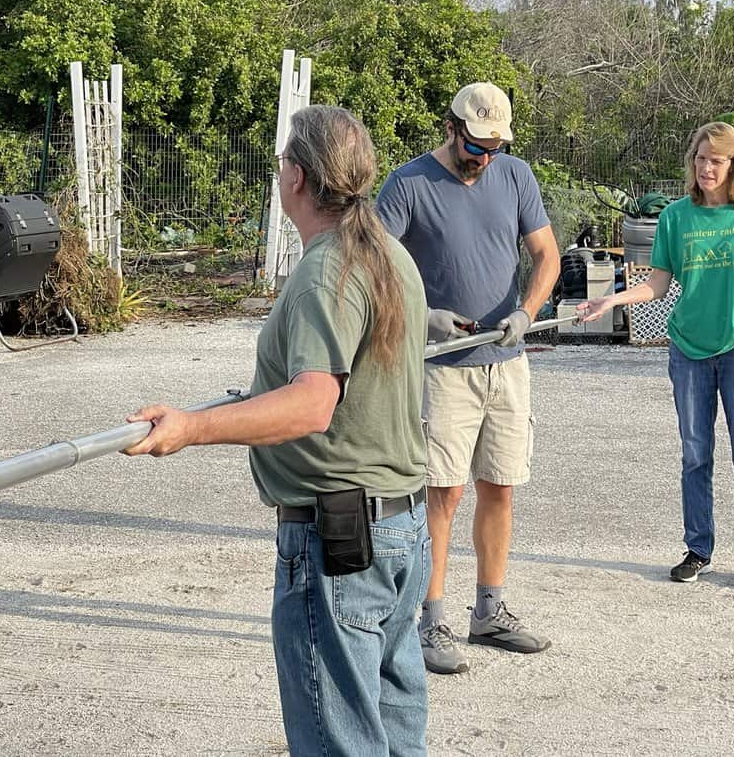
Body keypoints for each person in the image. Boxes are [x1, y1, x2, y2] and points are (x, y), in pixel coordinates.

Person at [122, 106, 431, 756]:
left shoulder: (328, 270)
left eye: (283, 161)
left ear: (297, 177)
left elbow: (313, 404)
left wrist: (191, 427)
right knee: (396, 739)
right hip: (399, 531)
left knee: (339, 743)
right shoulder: (389, 255)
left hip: (340, 541)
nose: (281, 172)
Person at [376, 82, 560, 675]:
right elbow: (373, 267)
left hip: (506, 362)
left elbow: (547, 255)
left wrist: (525, 313)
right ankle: (428, 619)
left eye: (494, 148)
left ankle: (489, 610)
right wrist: (422, 315)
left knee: (500, 485)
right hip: (441, 369)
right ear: (451, 128)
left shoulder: (515, 176)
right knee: (442, 493)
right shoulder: (407, 185)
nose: (484, 157)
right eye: (476, 146)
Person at [579, 121, 734, 589]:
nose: (706, 168)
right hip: (688, 350)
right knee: (696, 455)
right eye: (700, 159)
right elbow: (658, 282)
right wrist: (611, 300)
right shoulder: (676, 217)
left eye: (716, 160)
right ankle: (698, 549)